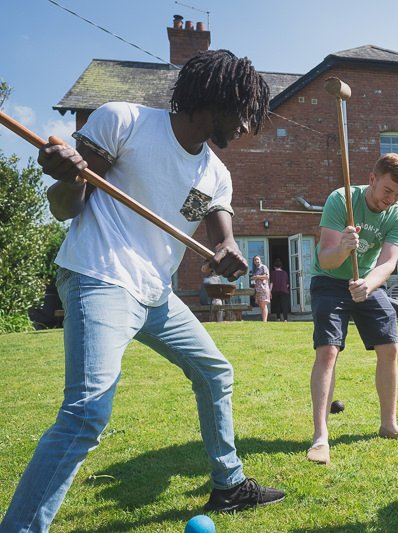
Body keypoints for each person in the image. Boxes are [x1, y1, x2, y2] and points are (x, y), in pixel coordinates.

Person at [0, 50, 284, 532]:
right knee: (87, 411)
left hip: (155, 292)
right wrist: (67, 176)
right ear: (214, 98)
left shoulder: (214, 174)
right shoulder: (123, 121)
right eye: (242, 112)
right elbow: (66, 208)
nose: (245, 126)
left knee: (215, 372)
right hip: (100, 275)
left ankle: (230, 484)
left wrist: (230, 252)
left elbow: (223, 236)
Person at [307, 153, 398, 465]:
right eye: (387, 191)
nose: (391, 199)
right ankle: (320, 437)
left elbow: (388, 262)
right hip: (329, 280)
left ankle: (389, 425)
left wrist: (367, 286)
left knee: (390, 347)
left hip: (368, 281)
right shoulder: (340, 200)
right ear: (372, 179)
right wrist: (344, 248)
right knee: (328, 351)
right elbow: (326, 259)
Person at [270, 258, 290, 322]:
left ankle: (278, 318)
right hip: (284, 291)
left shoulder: (273, 273)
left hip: (275, 291)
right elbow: (287, 284)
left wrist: (269, 291)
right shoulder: (285, 273)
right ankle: (285, 319)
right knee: (284, 305)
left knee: (277, 305)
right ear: (281, 266)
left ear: (274, 266)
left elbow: (272, 283)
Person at [252, 255, 271, 322]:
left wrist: (257, 277)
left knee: (263, 304)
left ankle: (264, 321)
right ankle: (263, 320)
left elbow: (267, 276)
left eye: (257, 259)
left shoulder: (263, 267)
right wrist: (254, 279)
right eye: (255, 260)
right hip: (258, 289)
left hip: (263, 288)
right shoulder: (256, 269)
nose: (256, 261)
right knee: (260, 305)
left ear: (260, 260)